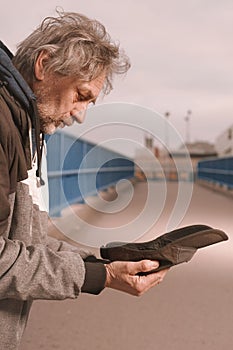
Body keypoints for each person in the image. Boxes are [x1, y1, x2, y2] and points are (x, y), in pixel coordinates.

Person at [0, 10, 169, 349]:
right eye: (81, 95)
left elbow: (27, 244)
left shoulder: (28, 129)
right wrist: (101, 276)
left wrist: (101, 265)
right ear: (44, 64)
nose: (79, 115)